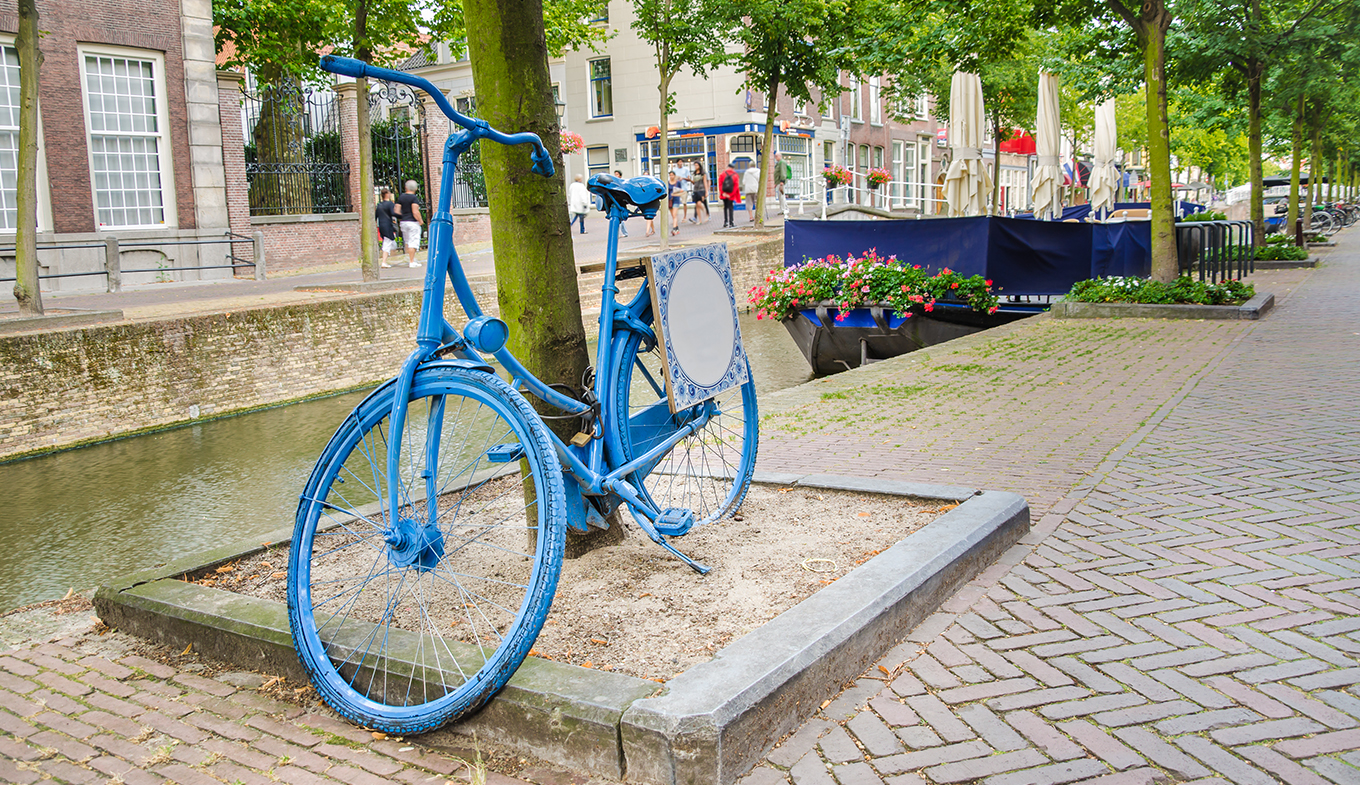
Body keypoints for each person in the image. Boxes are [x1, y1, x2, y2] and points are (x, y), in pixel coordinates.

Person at [394, 180, 424, 268]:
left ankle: (411, 258)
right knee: (413, 241)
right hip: (412, 222)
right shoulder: (414, 198)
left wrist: (402, 217)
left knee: (407, 241)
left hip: (404, 222)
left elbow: (396, 210)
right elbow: (415, 211)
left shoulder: (401, 197)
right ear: (416, 188)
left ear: (406, 187)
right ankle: (412, 261)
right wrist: (420, 220)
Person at [376, 188, 397, 268]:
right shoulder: (390, 204)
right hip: (388, 226)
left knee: (390, 241)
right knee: (387, 243)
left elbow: (376, 216)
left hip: (381, 226)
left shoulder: (379, 205)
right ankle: (384, 262)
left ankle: (390, 256)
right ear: (387, 194)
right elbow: (393, 213)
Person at [718, 163, 740, 228]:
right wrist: (731, 194)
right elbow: (736, 186)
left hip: (724, 194)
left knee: (725, 207)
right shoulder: (735, 175)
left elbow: (720, 184)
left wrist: (723, 193)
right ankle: (731, 222)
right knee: (730, 208)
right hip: (731, 195)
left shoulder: (722, 174)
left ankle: (725, 222)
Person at [612, 170, 629, 237]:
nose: (615, 175)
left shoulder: (622, 184)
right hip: (616, 203)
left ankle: (620, 233)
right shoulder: (614, 184)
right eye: (615, 174)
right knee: (619, 219)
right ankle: (624, 233)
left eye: (617, 174)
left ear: (620, 176)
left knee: (619, 219)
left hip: (621, 203)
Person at [667, 171, 683, 236]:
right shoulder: (668, 183)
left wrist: (676, 191)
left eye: (672, 175)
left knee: (674, 214)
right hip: (670, 200)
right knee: (673, 215)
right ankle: (677, 228)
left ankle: (674, 229)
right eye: (670, 175)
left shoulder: (677, 182)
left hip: (676, 199)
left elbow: (681, 190)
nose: (671, 176)